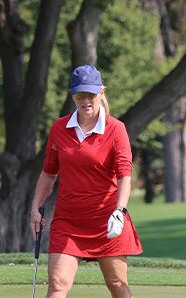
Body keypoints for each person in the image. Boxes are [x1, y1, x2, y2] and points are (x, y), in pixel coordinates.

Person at [30, 65, 142, 298]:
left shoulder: (116, 129)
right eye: (79, 95)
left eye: (90, 94)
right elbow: (49, 173)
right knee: (57, 283)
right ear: (73, 96)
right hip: (69, 221)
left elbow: (124, 175)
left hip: (107, 220)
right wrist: (35, 208)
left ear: (101, 92)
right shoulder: (59, 128)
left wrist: (119, 211)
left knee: (117, 285)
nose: (85, 100)